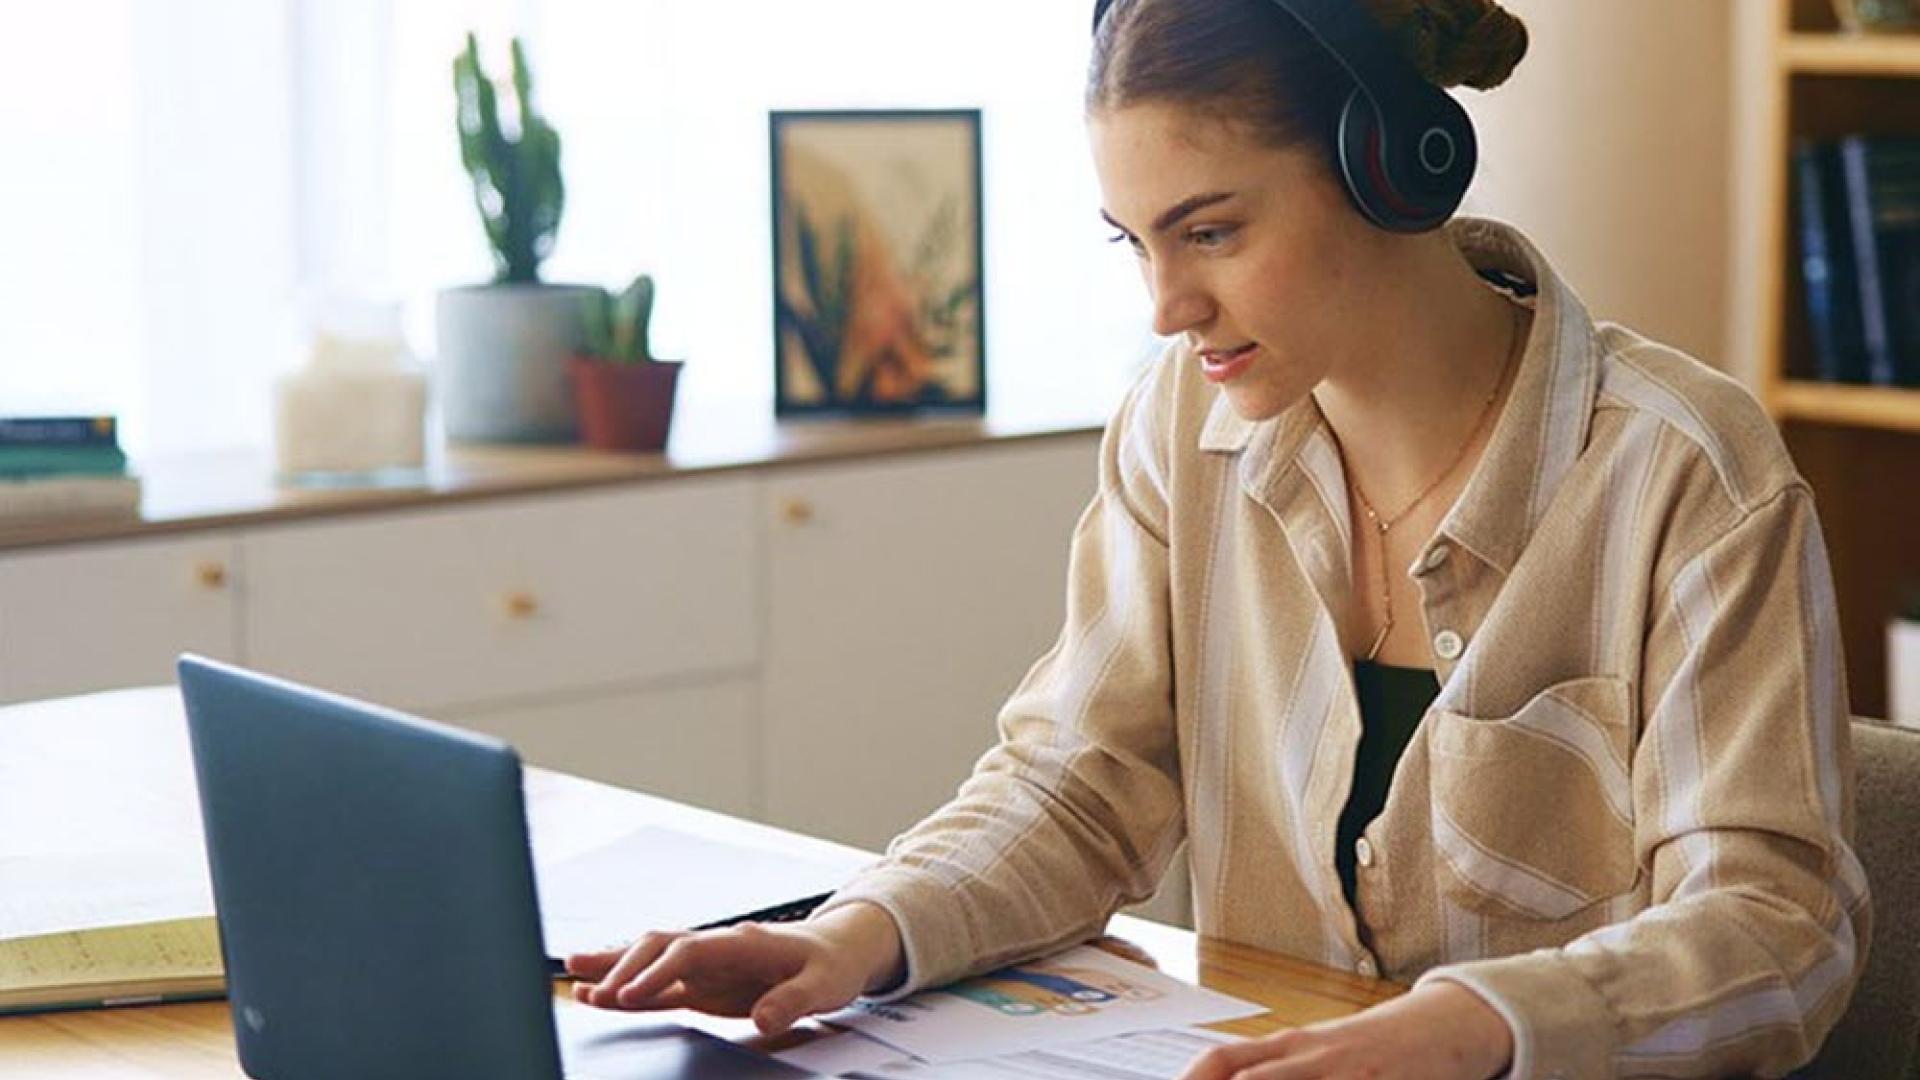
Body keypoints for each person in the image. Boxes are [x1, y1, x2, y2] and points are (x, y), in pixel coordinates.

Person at [565, 1, 1873, 1076]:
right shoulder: (1175, 428)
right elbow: (1077, 788)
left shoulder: (1684, 472)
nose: (1167, 304)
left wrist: (1475, 1032)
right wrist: (858, 935)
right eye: (1134, 243)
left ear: (1393, 169)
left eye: (1213, 230)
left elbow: (1773, 930)